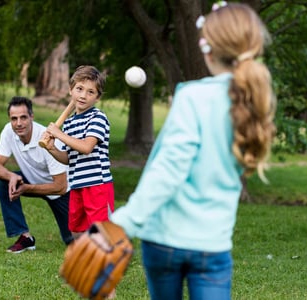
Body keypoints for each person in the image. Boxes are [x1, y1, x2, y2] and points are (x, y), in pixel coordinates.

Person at [110, 2, 276, 300]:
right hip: (212, 247)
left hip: (163, 241)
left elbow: (169, 169)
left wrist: (124, 221)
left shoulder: (192, 96)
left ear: (207, 49)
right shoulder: (255, 104)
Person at [0, 96, 73, 253]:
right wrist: (11, 177)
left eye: (23, 117)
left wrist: (26, 188)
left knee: (72, 241)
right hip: (32, 181)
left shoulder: (48, 139)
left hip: (62, 191)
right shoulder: (9, 131)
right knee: (3, 182)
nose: (18, 123)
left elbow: (61, 187)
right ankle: (25, 237)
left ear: (32, 117)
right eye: (14, 119)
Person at [43, 65, 115, 239]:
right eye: (79, 89)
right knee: (76, 230)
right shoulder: (69, 123)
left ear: (97, 97)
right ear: (71, 90)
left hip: (97, 185)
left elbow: (86, 147)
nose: (83, 96)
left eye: (91, 92)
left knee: (100, 232)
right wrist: (51, 148)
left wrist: (58, 134)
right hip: (77, 185)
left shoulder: (97, 118)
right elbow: (69, 158)